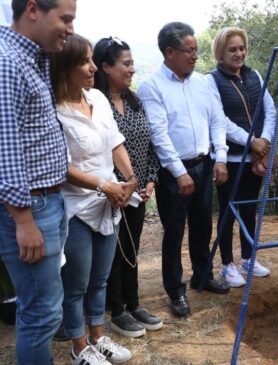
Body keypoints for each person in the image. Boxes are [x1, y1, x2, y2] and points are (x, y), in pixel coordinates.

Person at [137, 22, 231, 318]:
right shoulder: (151, 87)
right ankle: (175, 291)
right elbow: (159, 134)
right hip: (172, 173)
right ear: (169, 52)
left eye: (195, 51)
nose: (195, 56)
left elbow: (217, 120)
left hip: (204, 164)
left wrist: (221, 157)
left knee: (203, 224)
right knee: (175, 231)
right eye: (189, 51)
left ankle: (202, 276)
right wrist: (179, 172)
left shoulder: (204, 82)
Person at [53, 34, 135, 364]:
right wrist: (105, 185)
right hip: (75, 207)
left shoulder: (98, 98)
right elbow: (61, 167)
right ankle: (78, 346)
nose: (92, 67)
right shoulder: (54, 111)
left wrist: (129, 180)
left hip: (109, 201)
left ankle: (99, 336)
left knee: (100, 279)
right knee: (77, 284)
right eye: (84, 62)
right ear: (64, 68)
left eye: (91, 60)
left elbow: (115, 143)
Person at [0, 0, 74, 363]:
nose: (70, 28)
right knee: (40, 313)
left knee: (45, 310)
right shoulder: (7, 63)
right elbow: (5, 147)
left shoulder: (34, 57)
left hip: (49, 201)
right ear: (33, 9)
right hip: (29, 207)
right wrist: (23, 220)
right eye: (65, 18)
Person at [92, 36, 163, 337]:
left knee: (132, 249)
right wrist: (119, 187)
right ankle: (116, 311)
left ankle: (133, 304)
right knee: (115, 253)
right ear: (106, 67)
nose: (132, 69)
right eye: (126, 63)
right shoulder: (95, 104)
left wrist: (149, 180)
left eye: (133, 63)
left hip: (138, 192)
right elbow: (98, 150)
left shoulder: (134, 102)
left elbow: (148, 147)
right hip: (111, 195)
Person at [205, 27, 276, 287]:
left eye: (241, 48)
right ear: (220, 53)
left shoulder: (254, 75)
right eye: (232, 49)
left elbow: (270, 110)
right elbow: (218, 118)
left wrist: (264, 142)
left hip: (254, 158)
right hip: (231, 158)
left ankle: (248, 258)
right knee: (228, 212)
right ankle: (226, 265)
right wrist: (251, 141)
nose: (238, 53)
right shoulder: (211, 80)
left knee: (249, 209)